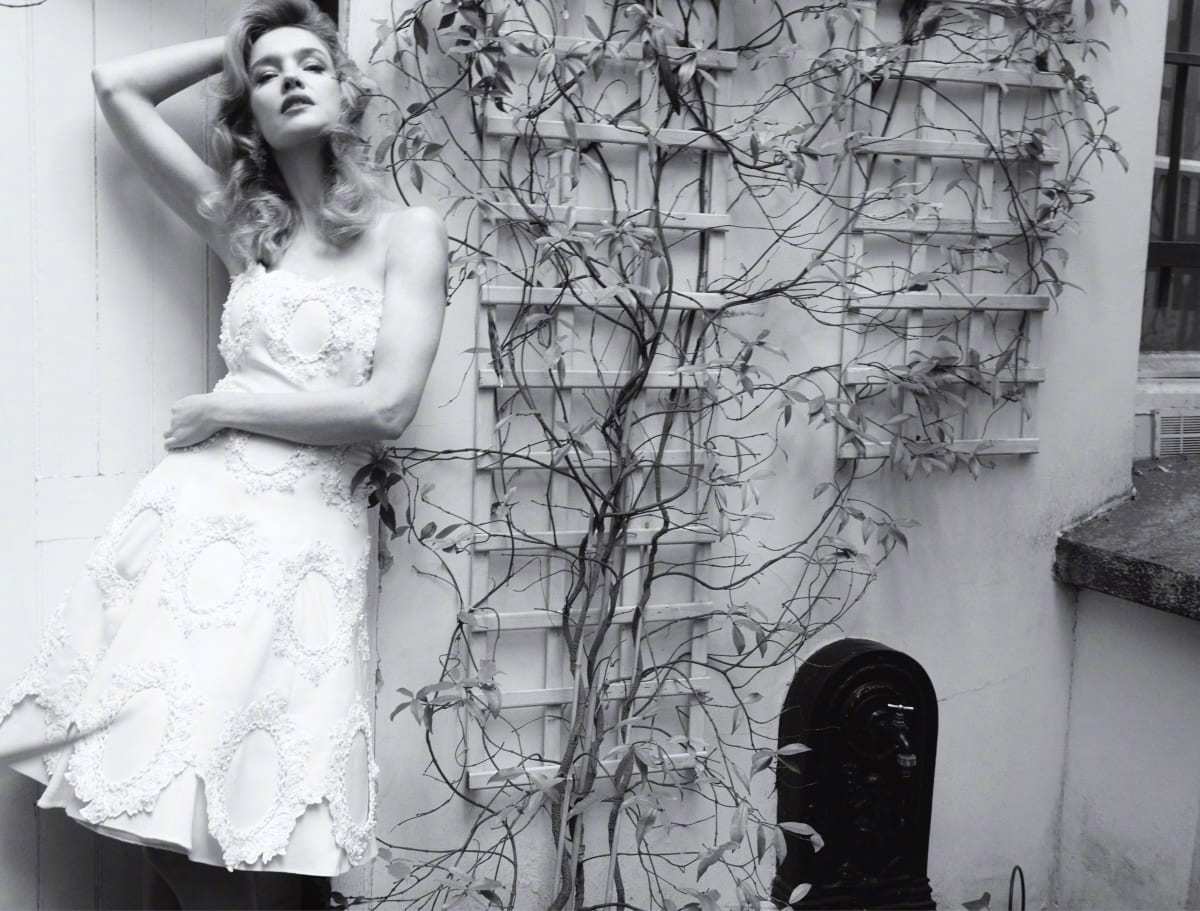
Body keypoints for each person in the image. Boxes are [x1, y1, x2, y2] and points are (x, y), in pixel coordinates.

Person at [0, 0, 447, 907]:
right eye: (268, 75)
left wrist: (227, 409)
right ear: (250, 112)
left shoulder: (409, 232)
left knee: (274, 801)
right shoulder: (248, 230)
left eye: (311, 65)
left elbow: (387, 407)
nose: (290, 80)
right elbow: (116, 86)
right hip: (197, 522)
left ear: (348, 92)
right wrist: (243, 42)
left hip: (306, 541)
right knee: (156, 777)